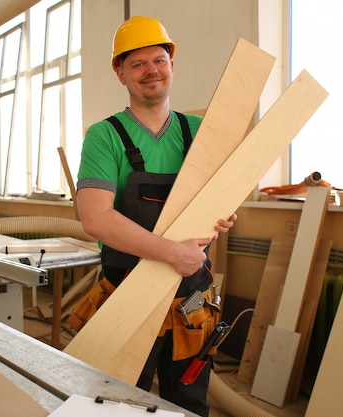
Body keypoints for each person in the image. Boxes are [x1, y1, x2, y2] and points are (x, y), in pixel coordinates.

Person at [76, 16, 237, 416]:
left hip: (191, 301)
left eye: (159, 59)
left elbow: (226, 197)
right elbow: (95, 219)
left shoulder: (200, 131)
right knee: (120, 403)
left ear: (171, 64)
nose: (152, 71)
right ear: (120, 72)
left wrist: (224, 214)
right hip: (127, 293)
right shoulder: (105, 136)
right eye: (138, 63)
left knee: (188, 401)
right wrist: (171, 252)